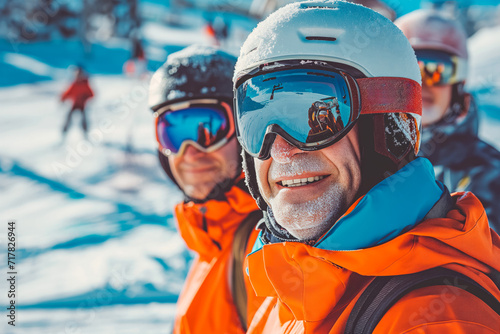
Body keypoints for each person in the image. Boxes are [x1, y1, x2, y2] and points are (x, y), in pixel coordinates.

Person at [232, 1, 500, 333]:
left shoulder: (435, 319)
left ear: (388, 130)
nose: (282, 150)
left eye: (317, 118)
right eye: (257, 120)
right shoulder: (284, 294)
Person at [148, 45, 264, 334]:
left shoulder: (265, 250)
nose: (190, 152)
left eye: (208, 128)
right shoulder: (211, 239)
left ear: (244, 130)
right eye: (172, 132)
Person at [396, 9, 500, 232]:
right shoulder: (363, 160)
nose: (424, 83)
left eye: (438, 70)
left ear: (458, 85)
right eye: (412, 71)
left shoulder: (491, 174)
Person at [60, 66, 94, 137]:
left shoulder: (85, 84)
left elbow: (91, 94)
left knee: (84, 118)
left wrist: (86, 97)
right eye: (77, 74)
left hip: (82, 105)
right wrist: (63, 98)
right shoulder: (74, 84)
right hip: (74, 104)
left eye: (79, 74)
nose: (78, 76)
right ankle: (64, 132)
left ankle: (85, 132)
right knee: (68, 117)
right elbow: (67, 93)